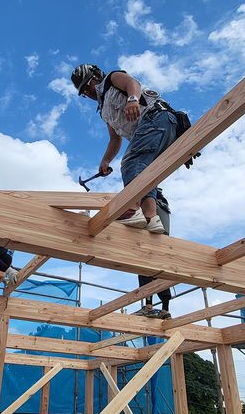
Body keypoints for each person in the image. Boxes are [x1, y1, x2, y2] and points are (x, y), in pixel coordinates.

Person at [71, 63, 178, 233]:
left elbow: (132, 83)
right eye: (83, 92)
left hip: (157, 118)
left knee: (132, 162)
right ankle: (151, 218)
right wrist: (106, 160)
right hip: (155, 130)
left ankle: (133, 210)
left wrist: (133, 99)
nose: (87, 92)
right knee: (143, 171)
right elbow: (115, 139)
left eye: (87, 85)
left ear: (96, 76)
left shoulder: (112, 79)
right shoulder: (104, 111)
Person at [133, 189, 173, 319]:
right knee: (160, 272)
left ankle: (149, 307)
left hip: (152, 239)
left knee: (145, 268)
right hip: (163, 241)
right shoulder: (164, 206)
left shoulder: (150, 200)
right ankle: (165, 310)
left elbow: (142, 219)